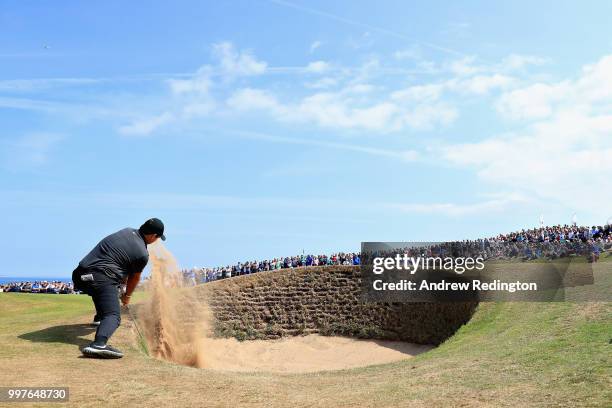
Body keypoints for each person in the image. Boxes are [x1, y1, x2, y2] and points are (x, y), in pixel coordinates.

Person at [72, 218, 166, 359]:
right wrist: (127, 296)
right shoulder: (142, 253)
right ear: (153, 236)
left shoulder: (126, 231)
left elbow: (122, 264)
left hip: (80, 276)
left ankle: (100, 317)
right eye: (158, 238)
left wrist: (121, 286)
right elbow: (134, 277)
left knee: (106, 290)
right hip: (100, 278)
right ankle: (98, 345)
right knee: (113, 316)